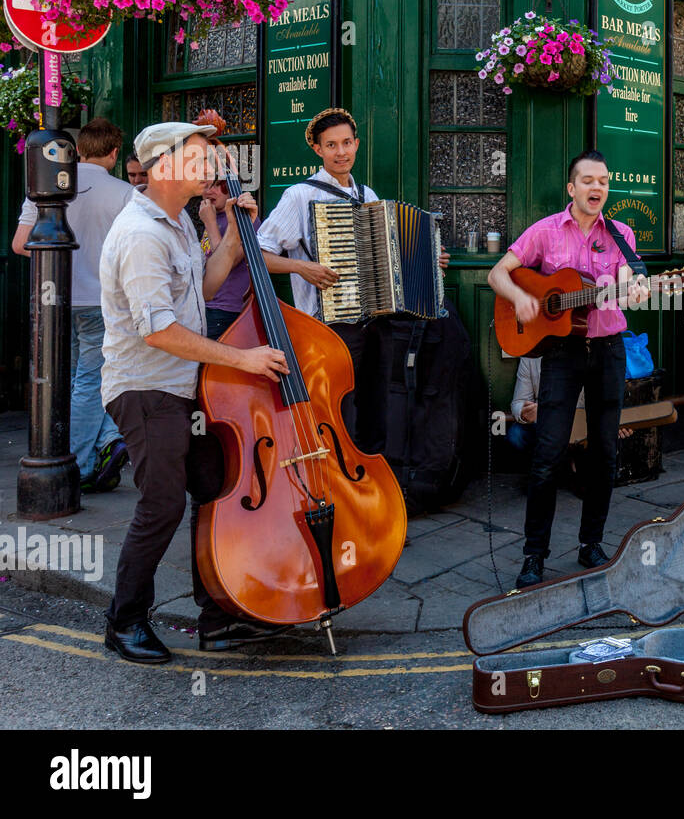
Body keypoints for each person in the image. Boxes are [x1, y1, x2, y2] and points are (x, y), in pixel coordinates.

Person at [99, 121, 290, 663]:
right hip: (147, 387)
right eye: (200, 157)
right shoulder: (141, 233)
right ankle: (125, 621)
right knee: (161, 505)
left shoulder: (179, 221)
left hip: (186, 385)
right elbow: (157, 328)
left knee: (214, 488)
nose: (211, 167)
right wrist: (243, 358)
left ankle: (218, 615)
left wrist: (234, 238)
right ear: (164, 166)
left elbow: (203, 290)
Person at [487, 151, 649, 589]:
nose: (598, 188)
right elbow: (498, 274)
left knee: (605, 453)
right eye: (589, 180)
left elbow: (631, 289)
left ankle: (590, 543)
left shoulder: (621, 234)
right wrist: (521, 298)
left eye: (604, 181)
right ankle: (533, 555)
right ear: (572, 188)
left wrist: (635, 292)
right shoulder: (544, 233)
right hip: (562, 353)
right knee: (547, 455)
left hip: (609, 349)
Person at [255, 108, 447, 437]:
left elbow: (391, 261)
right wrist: (302, 267)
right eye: (331, 145)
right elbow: (259, 255)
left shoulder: (367, 196)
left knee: (376, 412)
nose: (341, 152)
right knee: (335, 412)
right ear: (318, 150)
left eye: (346, 143)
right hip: (329, 328)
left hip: (376, 324)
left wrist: (429, 260)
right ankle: (332, 484)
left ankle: (369, 480)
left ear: (356, 144)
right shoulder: (299, 196)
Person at [11, 117, 134, 493]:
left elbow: (20, 244)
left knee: (71, 379)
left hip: (58, 298)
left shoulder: (47, 185)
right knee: (92, 380)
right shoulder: (124, 194)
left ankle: (102, 445)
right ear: (115, 153)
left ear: (78, 150)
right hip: (104, 302)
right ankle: (83, 460)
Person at [197, 163, 259, 339]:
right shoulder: (212, 215)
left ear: (231, 187)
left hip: (227, 310)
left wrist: (209, 223)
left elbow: (227, 262)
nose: (209, 192)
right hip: (207, 305)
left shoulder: (244, 218)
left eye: (217, 185)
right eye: (205, 185)